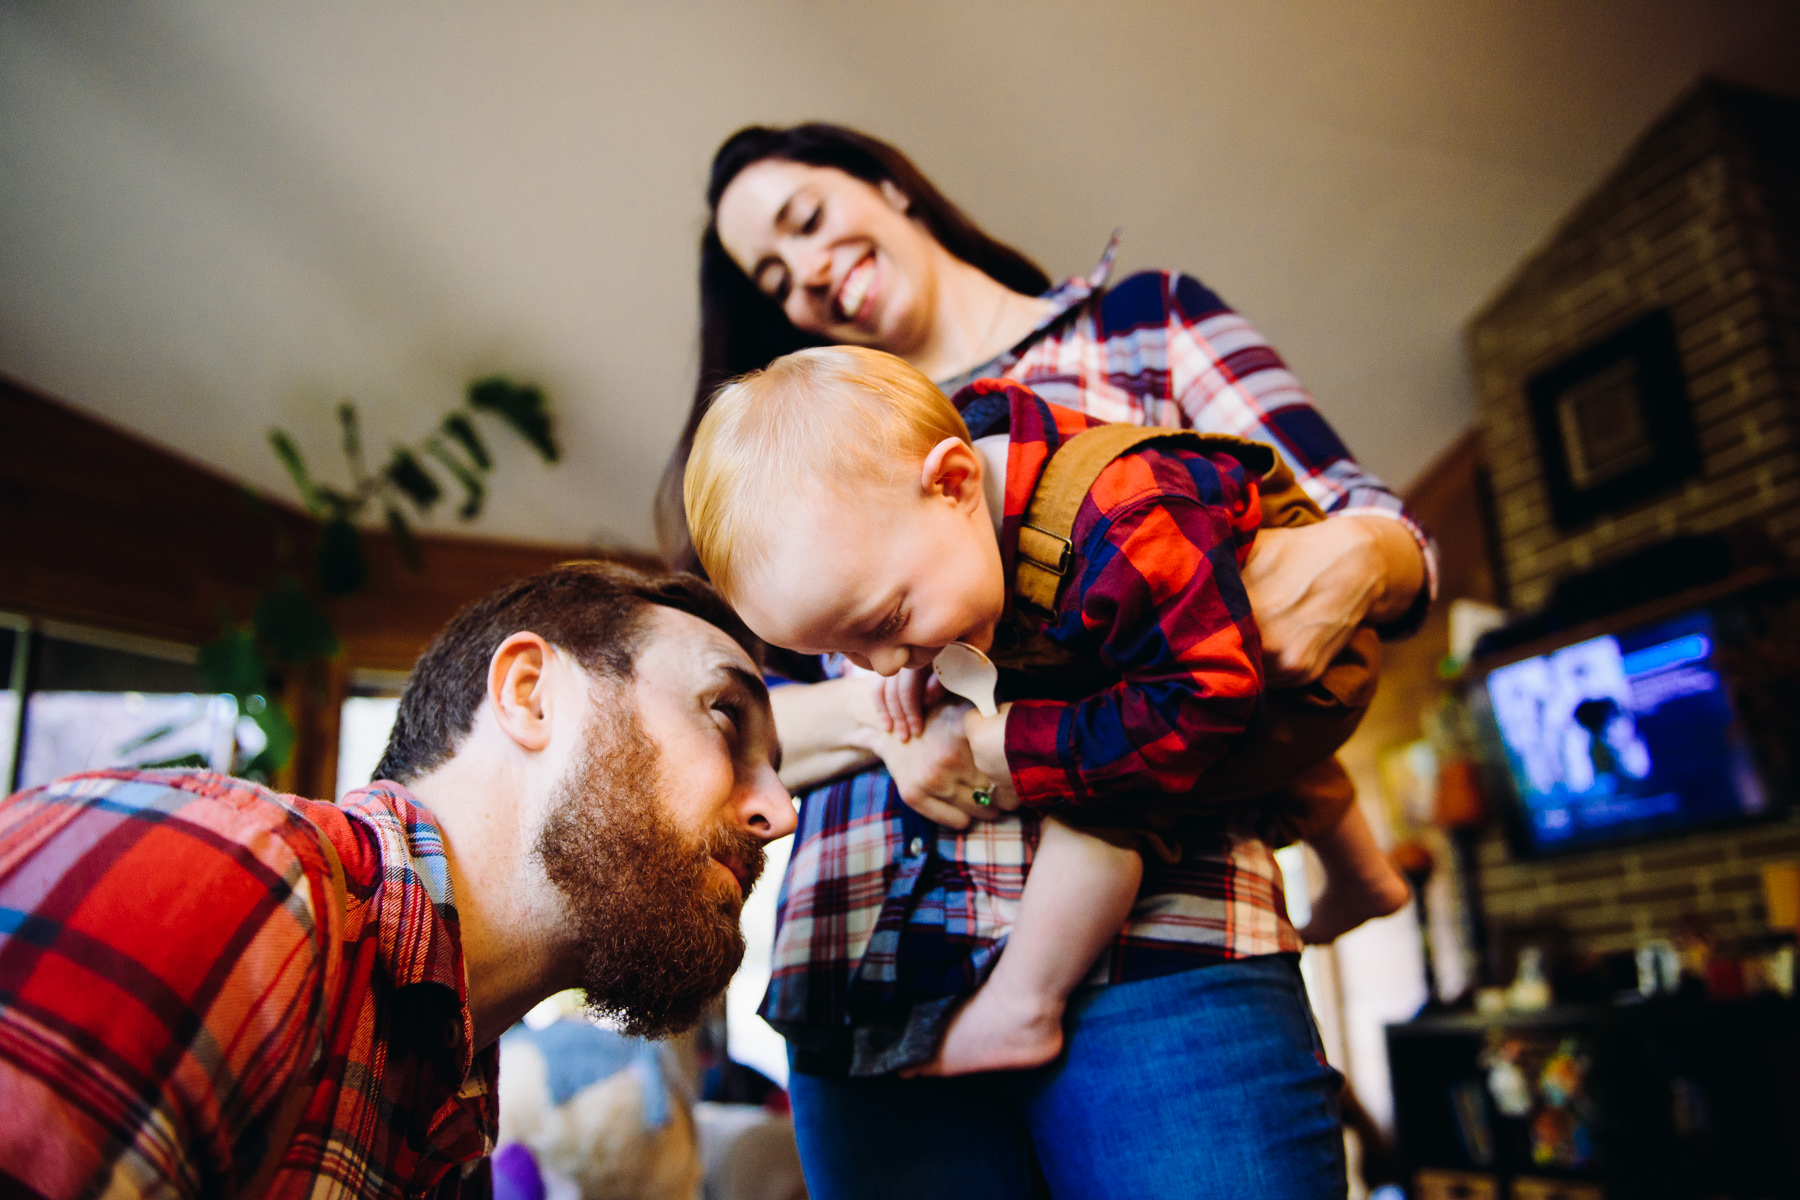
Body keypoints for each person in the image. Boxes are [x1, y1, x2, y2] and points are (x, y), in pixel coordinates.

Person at [660, 122, 1438, 1198]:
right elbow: (729, 741)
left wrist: (1357, 554)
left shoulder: (1140, 328)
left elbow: (1367, 536)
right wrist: (894, 729)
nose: (809, 278)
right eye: (774, 277)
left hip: (1169, 954)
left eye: (805, 219)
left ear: (888, 183)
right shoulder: (783, 469)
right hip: (864, 978)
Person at [684, 345, 1410, 1078]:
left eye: (883, 623)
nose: (887, 664)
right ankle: (1364, 874)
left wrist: (1029, 750)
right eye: (847, 650)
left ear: (955, 481)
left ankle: (1025, 1006)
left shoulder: (1126, 521)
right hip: (1198, 657)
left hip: (1293, 675)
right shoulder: (938, 520)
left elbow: (1204, 700)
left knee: (1114, 788)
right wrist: (903, 658)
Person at [0, 561, 795, 1199]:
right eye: (726, 715)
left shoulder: (454, 1133)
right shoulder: (233, 869)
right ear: (530, 694)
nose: (780, 811)